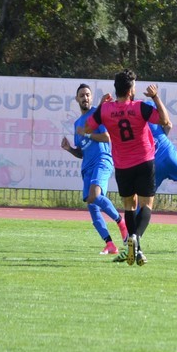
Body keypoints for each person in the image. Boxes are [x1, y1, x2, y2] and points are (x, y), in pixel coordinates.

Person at [80, 70, 171, 266]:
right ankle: (135, 238)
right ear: (130, 90)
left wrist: (100, 106)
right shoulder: (140, 107)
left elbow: (87, 128)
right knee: (146, 205)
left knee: (129, 205)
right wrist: (155, 97)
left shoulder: (106, 110)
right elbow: (165, 120)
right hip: (144, 161)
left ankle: (136, 249)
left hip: (122, 166)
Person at [61, 83, 128, 255]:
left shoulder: (97, 115)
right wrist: (69, 149)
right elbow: (82, 152)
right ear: (77, 99)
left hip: (102, 160)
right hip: (87, 167)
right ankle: (110, 244)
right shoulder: (77, 124)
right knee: (92, 205)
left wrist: (86, 133)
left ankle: (121, 223)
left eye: (88, 95)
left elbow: (106, 137)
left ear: (91, 97)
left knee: (95, 195)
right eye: (82, 95)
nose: (85, 98)